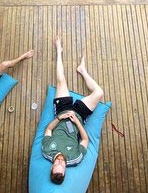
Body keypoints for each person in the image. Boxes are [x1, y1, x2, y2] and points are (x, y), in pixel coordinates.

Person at [42, 36, 104, 184]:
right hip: (79, 117)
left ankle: (59, 51)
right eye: (62, 166)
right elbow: (85, 139)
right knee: (99, 93)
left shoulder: (46, 151)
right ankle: (82, 70)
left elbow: (48, 130)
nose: (60, 162)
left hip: (62, 111)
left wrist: (59, 118)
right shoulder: (75, 159)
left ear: (51, 168)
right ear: (65, 170)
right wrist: (76, 122)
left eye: (56, 165)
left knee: (61, 81)